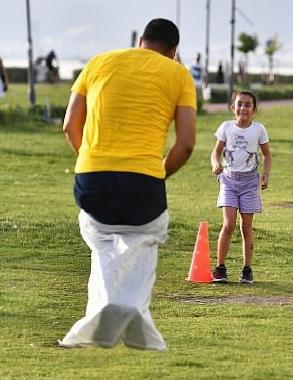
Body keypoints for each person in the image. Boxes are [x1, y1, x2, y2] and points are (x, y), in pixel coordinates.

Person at [59, 18, 197, 351]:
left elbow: (69, 125)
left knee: (104, 242)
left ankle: (105, 312)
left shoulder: (98, 62)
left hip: (92, 180)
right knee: (143, 239)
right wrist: (160, 172)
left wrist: (91, 160)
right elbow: (186, 144)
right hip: (145, 183)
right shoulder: (179, 74)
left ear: (140, 40)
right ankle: (131, 310)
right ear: (173, 51)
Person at [211, 90, 271, 284]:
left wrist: (265, 175)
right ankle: (220, 268)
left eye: (247, 105)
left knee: (246, 226)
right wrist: (215, 164)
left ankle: (247, 269)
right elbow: (216, 152)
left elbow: (267, 155)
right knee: (228, 224)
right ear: (232, 107)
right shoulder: (226, 127)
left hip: (249, 183)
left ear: (254, 109)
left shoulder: (259, 129)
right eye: (239, 104)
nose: (243, 108)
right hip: (228, 180)